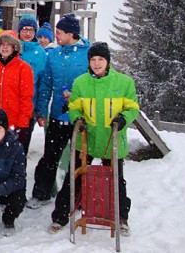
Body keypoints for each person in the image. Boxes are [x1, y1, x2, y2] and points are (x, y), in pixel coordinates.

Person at [48, 42, 139, 236]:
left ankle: (121, 217)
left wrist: (123, 119)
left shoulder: (124, 83)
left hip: (111, 139)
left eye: (101, 60)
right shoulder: (81, 82)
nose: (97, 64)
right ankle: (61, 216)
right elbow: (74, 107)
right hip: (86, 139)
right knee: (75, 177)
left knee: (116, 180)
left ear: (108, 62)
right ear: (89, 62)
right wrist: (77, 119)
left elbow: (132, 107)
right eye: (93, 60)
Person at [27, 14, 91, 209]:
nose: (56, 35)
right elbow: (45, 84)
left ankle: (77, 198)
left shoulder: (88, 53)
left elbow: (96, 83)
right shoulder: (53, 55)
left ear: (71, 34)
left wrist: (78, 97)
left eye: (59, 32)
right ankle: (42, 193)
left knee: (80, 158)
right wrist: (41, 112)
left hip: (81, 117)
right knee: (50, 157)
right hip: (57, 115)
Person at [17, 15, 47, 154]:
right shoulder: (12, 48)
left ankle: (19, 174)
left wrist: (40, 110)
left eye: (31, 30)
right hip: (10, 104)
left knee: (22, 146)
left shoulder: (40, 53)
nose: (28, 33)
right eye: (24, 29)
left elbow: (43, 84)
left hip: (29, 105)